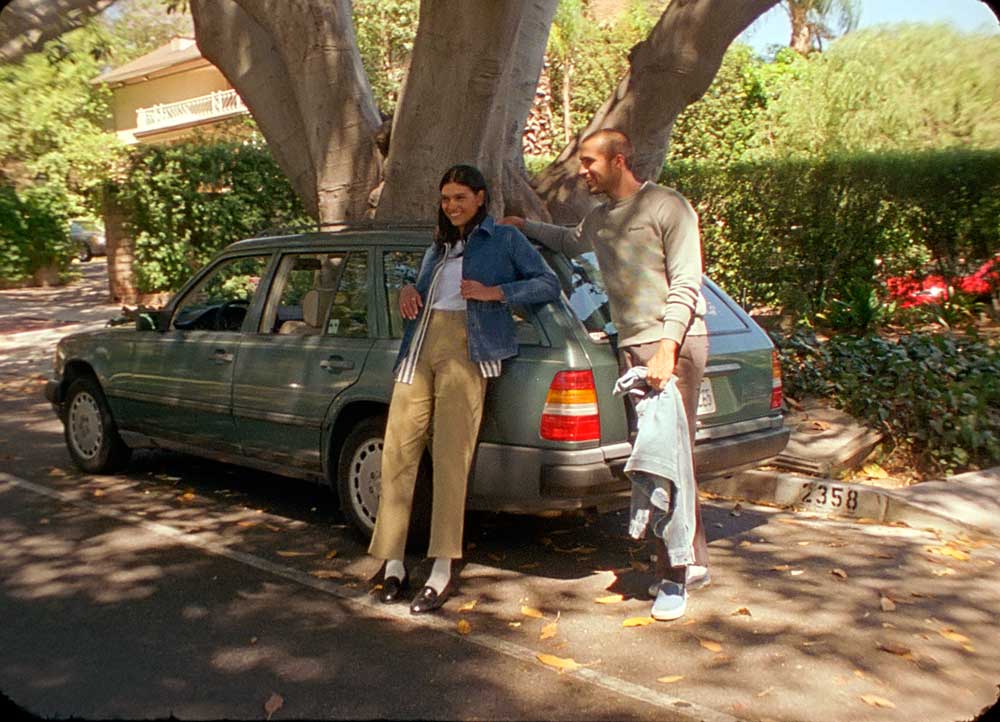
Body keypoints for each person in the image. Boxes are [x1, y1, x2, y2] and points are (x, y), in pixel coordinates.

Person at [502, 129, 709, 621]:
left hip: (671, 345)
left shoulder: (667, 206)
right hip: (633, 345)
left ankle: (673, 578)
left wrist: (666, 348)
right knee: (668, 456)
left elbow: (686, 281)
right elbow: (569, 241)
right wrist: (524, 225)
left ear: (619, 161)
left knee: (663, 459)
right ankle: (693, 560)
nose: (583, 172)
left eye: (590, 162)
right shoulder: (600, 218)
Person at [369, 164, 560, 614]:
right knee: (397, 450)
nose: (452, 206)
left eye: (460, 197)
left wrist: (497, 293)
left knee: (452, 456)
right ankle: (393, 562)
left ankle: (441, 568)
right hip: (419, 344)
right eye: (445, 199)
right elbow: (420, 287)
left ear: (480, 198)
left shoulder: (504, 239)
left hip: (468, 348)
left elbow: (547, 283)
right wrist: (407, 290)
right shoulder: (439, 244)